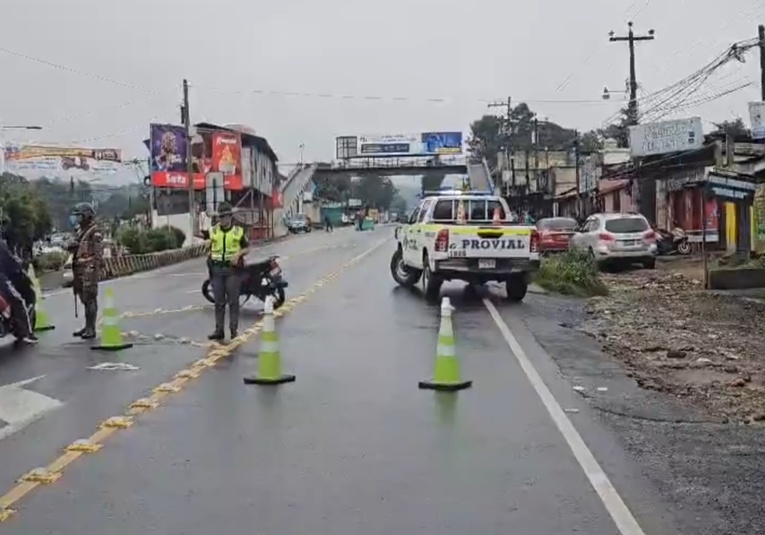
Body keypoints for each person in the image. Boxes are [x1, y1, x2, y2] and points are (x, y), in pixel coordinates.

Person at [197, 202, 250, 341]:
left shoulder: (238, 232)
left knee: (233, 301)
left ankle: (233, 330)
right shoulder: (213, 231)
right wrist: (206, 243)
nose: (223, 219)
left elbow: (248, 248)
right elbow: (204, 241)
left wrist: (238, 255)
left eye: (226, 217)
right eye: (221, 217)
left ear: (231, 217)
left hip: (232, 271)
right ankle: (219, 330)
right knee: (219, 302)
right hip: (216, 270)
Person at [67, 202, 103, 339]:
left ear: (86, 216)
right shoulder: (79, 231)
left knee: (90, 299)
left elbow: (97, 255)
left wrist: (88, 264)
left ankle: (91, 329)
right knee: (83, 298)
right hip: (79, 270)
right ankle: (87, 326)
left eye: (79, 216)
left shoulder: (95, 233)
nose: (76, 219)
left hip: (89, 270)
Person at [0, 238, 36, 343]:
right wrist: (20, 265)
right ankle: (26, 334)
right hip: (1, 280)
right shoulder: (1, 244)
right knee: (19, 300)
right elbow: (10, 260)